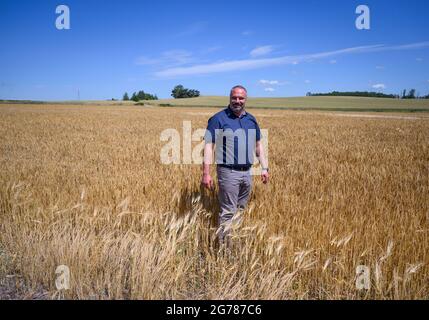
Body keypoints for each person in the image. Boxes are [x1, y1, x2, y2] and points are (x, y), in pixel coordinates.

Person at [202, 85, 269, 246]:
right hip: (228, 172)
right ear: (229, 98)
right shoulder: (218, 118)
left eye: (241, 98)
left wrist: (264, 167)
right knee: (228, 212)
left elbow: (258, 145)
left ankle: (235, 243)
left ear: (245, 99)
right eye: (234, 98)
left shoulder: (251, 120)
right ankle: (225, 250)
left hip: (247, 172)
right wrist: (206, 173)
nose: (237, 101)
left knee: (240, 210)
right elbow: (208, 146)